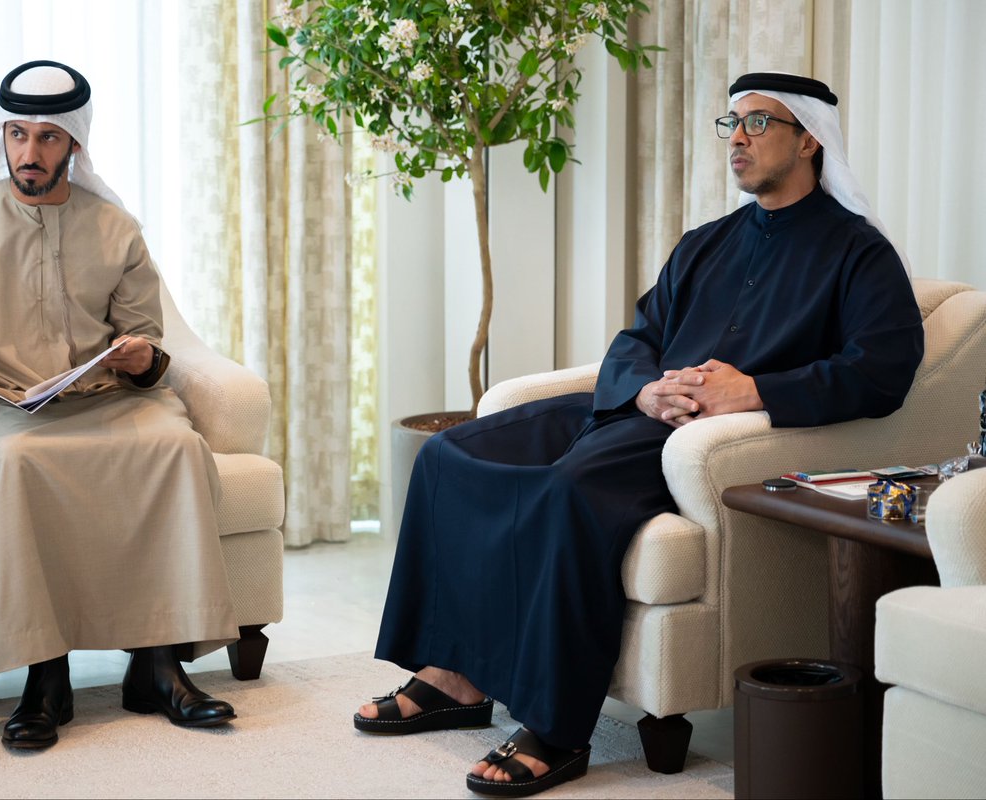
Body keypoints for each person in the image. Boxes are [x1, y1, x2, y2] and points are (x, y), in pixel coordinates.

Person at [353, 72, 924, 797]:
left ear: (809, 139)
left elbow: (881, 371)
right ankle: (451, 679)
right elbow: (637, 337)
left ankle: (557, 730)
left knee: (566, 490)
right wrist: (643, 387)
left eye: (757, 123)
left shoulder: (857, 252)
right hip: (632, 410)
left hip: (701, 441)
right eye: (731, 125)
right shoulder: (705, 244)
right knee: (446, 454)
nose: (737, 139)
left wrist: (755, 390)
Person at [0, 60, 240, 751]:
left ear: (74, 144)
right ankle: (45, 678)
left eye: (47, 138)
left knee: (176, 448)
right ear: (0, 137)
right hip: (7, 408)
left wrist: (138, 357)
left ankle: (158, 668)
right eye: (17, 135)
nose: (29, 153)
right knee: (17, 464)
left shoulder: (116, 227)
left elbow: (147, 336)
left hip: (107, 399)